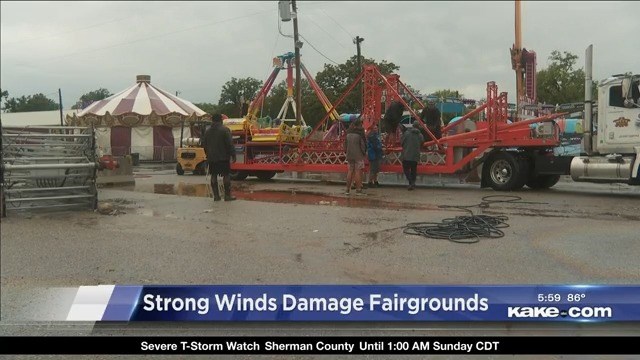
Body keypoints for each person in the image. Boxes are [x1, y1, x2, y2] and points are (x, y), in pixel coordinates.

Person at [202, 113, 237, 201]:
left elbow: (204, 145)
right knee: (226, 175)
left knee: (213, 175)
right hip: (223, 157)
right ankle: (227, 196)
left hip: (212, 157)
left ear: (212, 120)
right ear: (221, 120)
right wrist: (233, 154)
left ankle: (216, 196)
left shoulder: (207, 131)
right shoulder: (225, 130)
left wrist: (208, 154)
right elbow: (230, 144)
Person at [344, 119, 367, 195]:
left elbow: (345, 145)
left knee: (350, 171)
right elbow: (363, 145)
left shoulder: (348, 133)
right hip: (358, 155)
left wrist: (346, 152)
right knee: (357, 171)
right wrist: (364, 153)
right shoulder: (360, 133)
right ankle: (358, 189)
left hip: (349, 154)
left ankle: (347, 189)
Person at [401, 121, 424, 190]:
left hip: (406, 154)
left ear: (412, 126)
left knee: (406, 169)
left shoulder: (407, 133)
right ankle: (412, 182)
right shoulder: (420, 135)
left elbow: (402, 142)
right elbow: (422, 143)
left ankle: (411, 182)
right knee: (414, 170)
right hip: (415, 155)